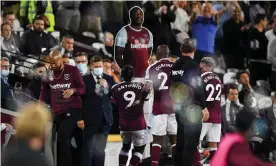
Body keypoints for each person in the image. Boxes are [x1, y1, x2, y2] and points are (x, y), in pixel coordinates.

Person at [39, 50, 85, 166]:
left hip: (73, 108)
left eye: (55, 63)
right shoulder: (47, 73)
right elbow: (44, 92)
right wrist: (39, 105)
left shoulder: (72, 70)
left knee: (63, 134)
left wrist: (73, 90)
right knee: (58, 140)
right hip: (57, 110)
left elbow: (82, 88)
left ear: (60, 59)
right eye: (51, 63)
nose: (53, 65)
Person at [171, 38, 208, 166]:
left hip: (179, 107)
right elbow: (197, 87)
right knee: (191, 144)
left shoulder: (174, 65)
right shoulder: (193, 66)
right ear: (195, 50)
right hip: (192, 108)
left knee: (180, 143)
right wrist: (204, 107)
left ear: (181, 49)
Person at [111, 65, 151, 166]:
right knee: (139, 150)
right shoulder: (142, 86)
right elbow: (146, 100)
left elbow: (113, 105)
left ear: (121, 75)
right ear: (133, 75)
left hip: (124, 125)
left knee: (125, 148)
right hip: (139, 125)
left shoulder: (115, 88)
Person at [81, 55, 115, 166]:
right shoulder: (84, 80)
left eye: (100, 66)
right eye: (96, 66)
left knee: (100, 151)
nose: (98, 68)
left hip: (105, 120)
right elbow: (80, 100)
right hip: (90, 120)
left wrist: (107, 86)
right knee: (88, 151)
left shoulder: (109, 78)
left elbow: (114, 94)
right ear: (91, 67)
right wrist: (80, 118)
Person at [145, 45, 176, 166]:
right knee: (174, 138)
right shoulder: (175, 66)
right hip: (174, 107)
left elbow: (147, 88)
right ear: (168, 54)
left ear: (158, 54)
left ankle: (154, 164)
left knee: (157, 139)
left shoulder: (152, 67)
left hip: (159, 107)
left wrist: (141, 100)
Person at [211, 109, 276, 166]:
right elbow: (249, 163)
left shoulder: (229, 138)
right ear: (250, 127)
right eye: (254, 125)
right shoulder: (236, 146)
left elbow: (250, 161)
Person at [114, 6, 153, 79]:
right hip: (130, 76)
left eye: (140, 14)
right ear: (130, 16)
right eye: (136, 14)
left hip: (145, 75)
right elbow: (118, 55)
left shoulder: (148, 33)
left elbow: (148, 53)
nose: (139, 16)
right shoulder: (124, 32)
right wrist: (125, 71)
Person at [199, 57, 222, 161]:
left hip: (204, 114)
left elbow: (197, 96)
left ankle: (196, 162)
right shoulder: (218, 79)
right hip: (217, 115)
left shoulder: (200, 78)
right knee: (213, 144)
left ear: (202, 65)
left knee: (196, 141)